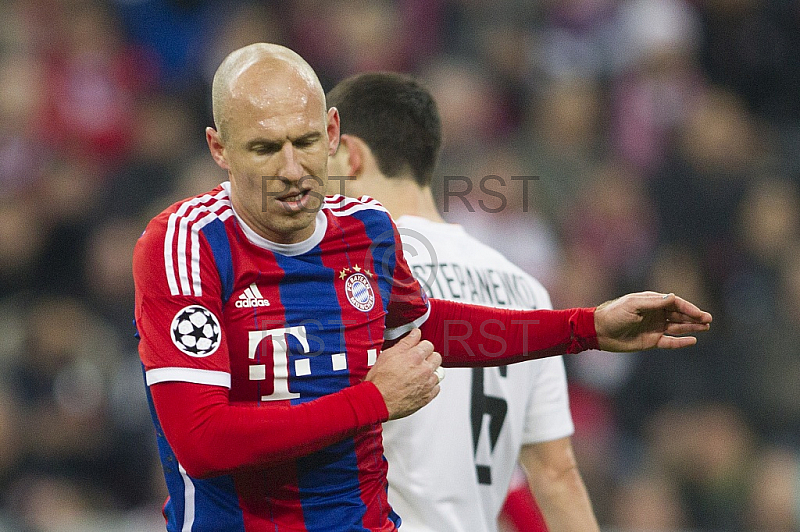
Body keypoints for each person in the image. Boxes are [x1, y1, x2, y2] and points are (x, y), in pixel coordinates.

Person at [132, 43, 712, 531]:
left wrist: (586, 327)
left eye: (306, 142)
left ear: (334, 134)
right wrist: (373, 401)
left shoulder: (366, 229)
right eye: (264, 148)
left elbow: (428, 328)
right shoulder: (184, 246)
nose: (291, 168)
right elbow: (203, 442)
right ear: (219, 149)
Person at [325, 72, 600, 532]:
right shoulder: (525, 290)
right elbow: (556, 474)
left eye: (321, 151)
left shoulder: (351, 275)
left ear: (350, 154)